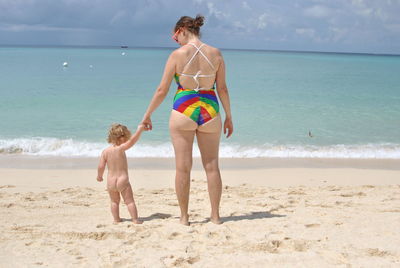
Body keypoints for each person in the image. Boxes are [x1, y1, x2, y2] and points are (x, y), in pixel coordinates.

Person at [141, 15, 233, 225]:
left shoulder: (177, 55)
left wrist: (147, 114)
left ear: (182, 30)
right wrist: (229, 116)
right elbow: (223, 89)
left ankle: (184, 217)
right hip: (210, 109)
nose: (177, 41)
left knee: (183, 167)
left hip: (184, 108)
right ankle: (216, 216)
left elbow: (162, 89)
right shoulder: (216, 54)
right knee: (212, 166)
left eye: (176, 37)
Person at [97, 123, 146, 224]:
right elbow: (133, 141)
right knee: (129, 201)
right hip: (122, 180)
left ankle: (116, 219)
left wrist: (99, 176)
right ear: (122, 137)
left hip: (111, 181)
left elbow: (101, 166)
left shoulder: (105, 151)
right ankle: (135, 219)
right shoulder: (121, 148)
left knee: (114, 202)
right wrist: (140, 130)